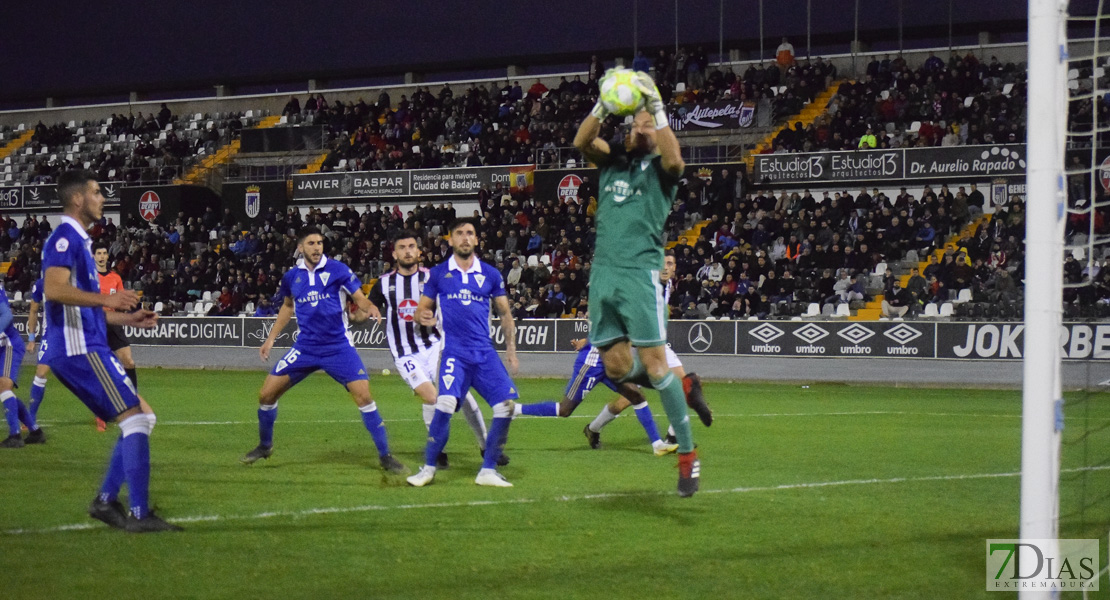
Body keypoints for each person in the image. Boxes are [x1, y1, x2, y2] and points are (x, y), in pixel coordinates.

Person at [573, 70, 711, 497]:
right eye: (634, 124)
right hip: (603, 275)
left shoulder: (660, 171)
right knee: (616, 367)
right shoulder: (613, 160)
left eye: (645, 126)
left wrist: (658, 109)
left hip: (639, 274)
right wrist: (603, 106)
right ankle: (681, 383)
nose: (638, 129)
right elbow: (581, 143)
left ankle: (686, 454)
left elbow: (677, 161)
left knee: (653, 363)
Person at [42, 170, 176, 532]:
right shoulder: (64, 239)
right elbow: (54, 290)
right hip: (80, 349)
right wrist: (108, 296)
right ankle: (138, 514)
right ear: (77, 200)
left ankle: (106, 502)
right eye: (97, 193)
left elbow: (85, 305)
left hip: (87, 345)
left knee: (142, 419)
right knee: (135, 418)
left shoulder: (80, 241)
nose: (103, 199)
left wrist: (128, 318)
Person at [240, 227, 406, 475]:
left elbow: (359, 297)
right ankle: (265, 446)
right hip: (305, 347)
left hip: (338, 347)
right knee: (266, 395)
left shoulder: (337, 270)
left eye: (320, 243)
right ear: (300, 247)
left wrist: (369, 306)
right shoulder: (292, 277)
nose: (317, 247)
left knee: (364, 396)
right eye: (311, 243)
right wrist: (270, 339)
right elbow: (287, 307)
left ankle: (385, 456)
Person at [368, 229, 506, 469]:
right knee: (432, 397)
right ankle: (438, 449)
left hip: (436, 346)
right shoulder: (383, 284)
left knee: (461, 395)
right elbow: (367, 310)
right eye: (402, 247)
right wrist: (359, 314)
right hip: (405, 352)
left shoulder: (434, 277)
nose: (408, 251)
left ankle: (486, 447)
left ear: (419, 251)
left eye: (412, 246)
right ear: (394, 253)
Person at [406, 218, 519, 488]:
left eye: (470, 233)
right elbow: (421, 311)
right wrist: (423, 317)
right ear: (451, 240)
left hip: (484, 352)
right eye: (460, 233)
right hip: (454, 352)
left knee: (506, 408)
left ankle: (488, 471)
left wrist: (511, 352)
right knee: (444, 405)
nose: (465, 238)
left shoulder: (491, 274)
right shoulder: (438, 274)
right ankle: (428, 468)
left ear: (477, 240)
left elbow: (505, 314)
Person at [583, 252, 709, 448]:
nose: (666, 267)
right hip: (639, 347)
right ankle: (593, 428)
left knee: (686, 385)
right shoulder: (645, 285)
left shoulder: (667, 286)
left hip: (657, 346)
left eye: (669, 263)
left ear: (675, 267)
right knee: (627, 399)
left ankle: (673, 437)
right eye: (662, 263)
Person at [513, 337, 679, 456]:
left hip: (611, 362)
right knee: (565, 409)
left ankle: (657, 444)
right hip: (592, 363)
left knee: (636, 396)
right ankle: (516, 409)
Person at [95, 242, 137, 433]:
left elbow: (121, 302)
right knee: (102, 367)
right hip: (97, 323)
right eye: (99, 253)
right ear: (94, 256)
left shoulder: (115, 278)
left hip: (114, 323)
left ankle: (132, 402)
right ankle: (101, 412)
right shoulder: (89, 277)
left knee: (128, 361)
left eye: (104, 253)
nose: (102, 256)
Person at [0, 283, 44, 447]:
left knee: (4, 385)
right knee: (5, 390)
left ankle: (15, 436)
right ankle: (35, 431)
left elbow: (6, 316)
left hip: (8, 344)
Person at [25, 277, 52, 426]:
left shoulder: (74, 279)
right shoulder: (42, 283)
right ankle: (31, 417)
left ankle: (100, 413)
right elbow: (33, 310)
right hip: (51, 334)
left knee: (87, 373)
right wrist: (31, 338)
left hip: (72, 334)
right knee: (41, 372)